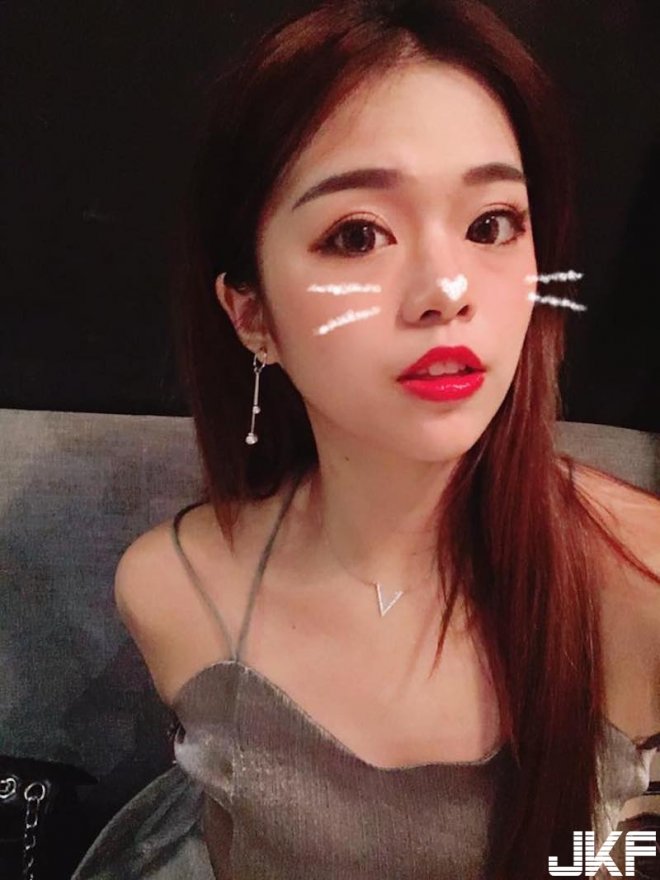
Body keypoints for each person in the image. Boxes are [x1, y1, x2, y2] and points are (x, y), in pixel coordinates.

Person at [71, 0, 660, 878]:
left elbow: (613, 851)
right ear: (251, 314)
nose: (448, 290)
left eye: (492, 224)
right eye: (357, 235)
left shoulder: (638, 583)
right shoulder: (170, 586)